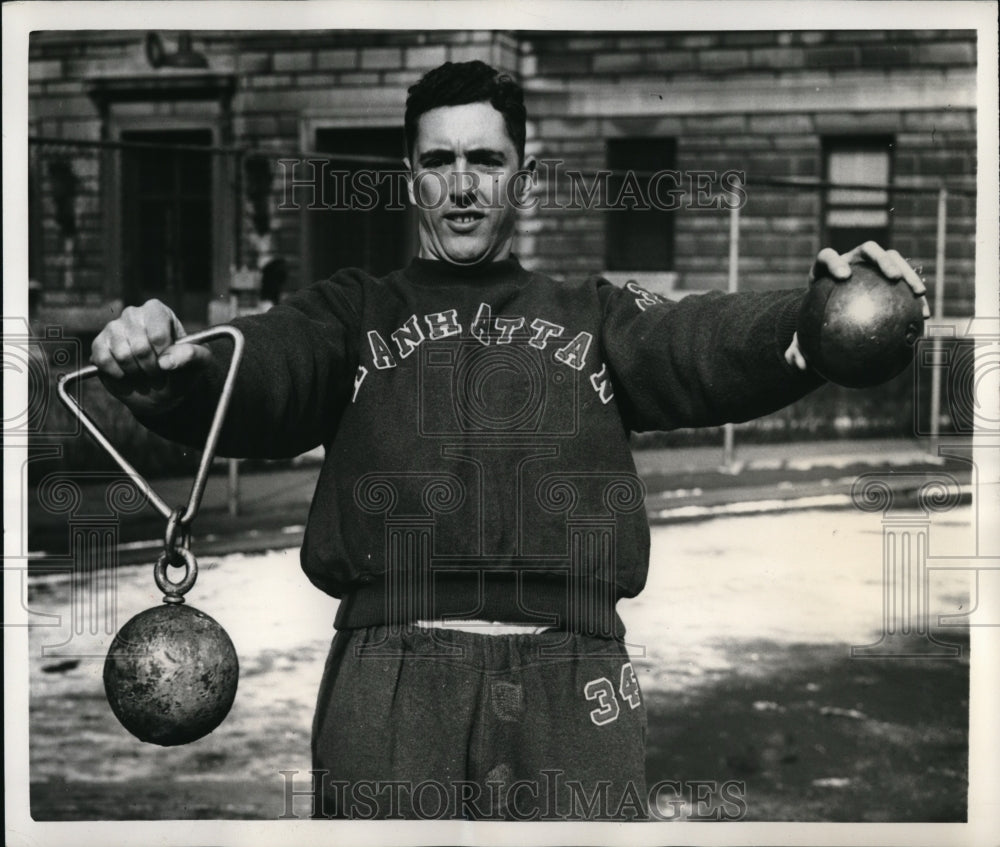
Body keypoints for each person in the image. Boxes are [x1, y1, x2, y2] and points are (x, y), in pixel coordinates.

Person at [90, 60, 929, 821]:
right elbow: (269, 366)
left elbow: (695, 341)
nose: (462, 185)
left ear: (521, 179)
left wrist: (810, 321)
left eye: (486, 162)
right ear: (409, 178)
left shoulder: (591, 313)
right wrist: (177, 367)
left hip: (573, 679)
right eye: (438, 161)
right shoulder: (352, 313)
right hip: (390, 680)